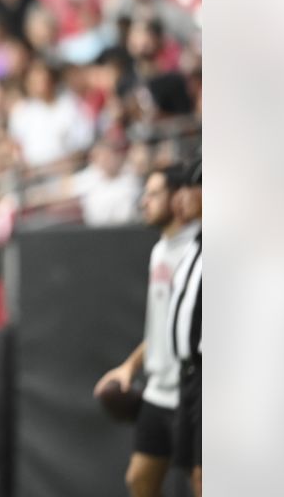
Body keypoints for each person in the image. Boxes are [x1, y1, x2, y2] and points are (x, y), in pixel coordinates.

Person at [93, 164, 198, 496]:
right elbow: (163, 325)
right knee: (139, 479)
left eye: (154, 194)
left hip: (189, 390)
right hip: (158, 390)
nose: (144, 202)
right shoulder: (159, 251)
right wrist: (130, 366)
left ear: (179, 198)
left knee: (201, 481)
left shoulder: (198, 249)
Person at [168, 159, 202, 496]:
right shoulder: (193, 246)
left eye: (189, 190)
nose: (181, 198)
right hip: (188, 377)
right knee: (195, 475)